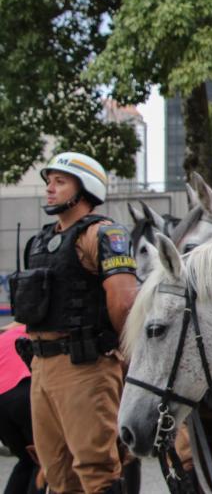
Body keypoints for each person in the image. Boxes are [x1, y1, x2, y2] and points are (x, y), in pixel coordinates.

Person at [10, 152, 138, 493]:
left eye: (60, 182)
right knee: (56, 473)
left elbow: (124, 301)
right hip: (41, 367)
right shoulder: (40, 241)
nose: (49, 189)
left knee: (97, 471)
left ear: (85, 188)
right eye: (49, 182)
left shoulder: (104, 233)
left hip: (86, 367)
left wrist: (123, 353)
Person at [0, 323, 38, 494]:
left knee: (26, 460)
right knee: (43, 460)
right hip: (21, 393)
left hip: (3, 405)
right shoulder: (38, 333)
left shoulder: (6, 336)